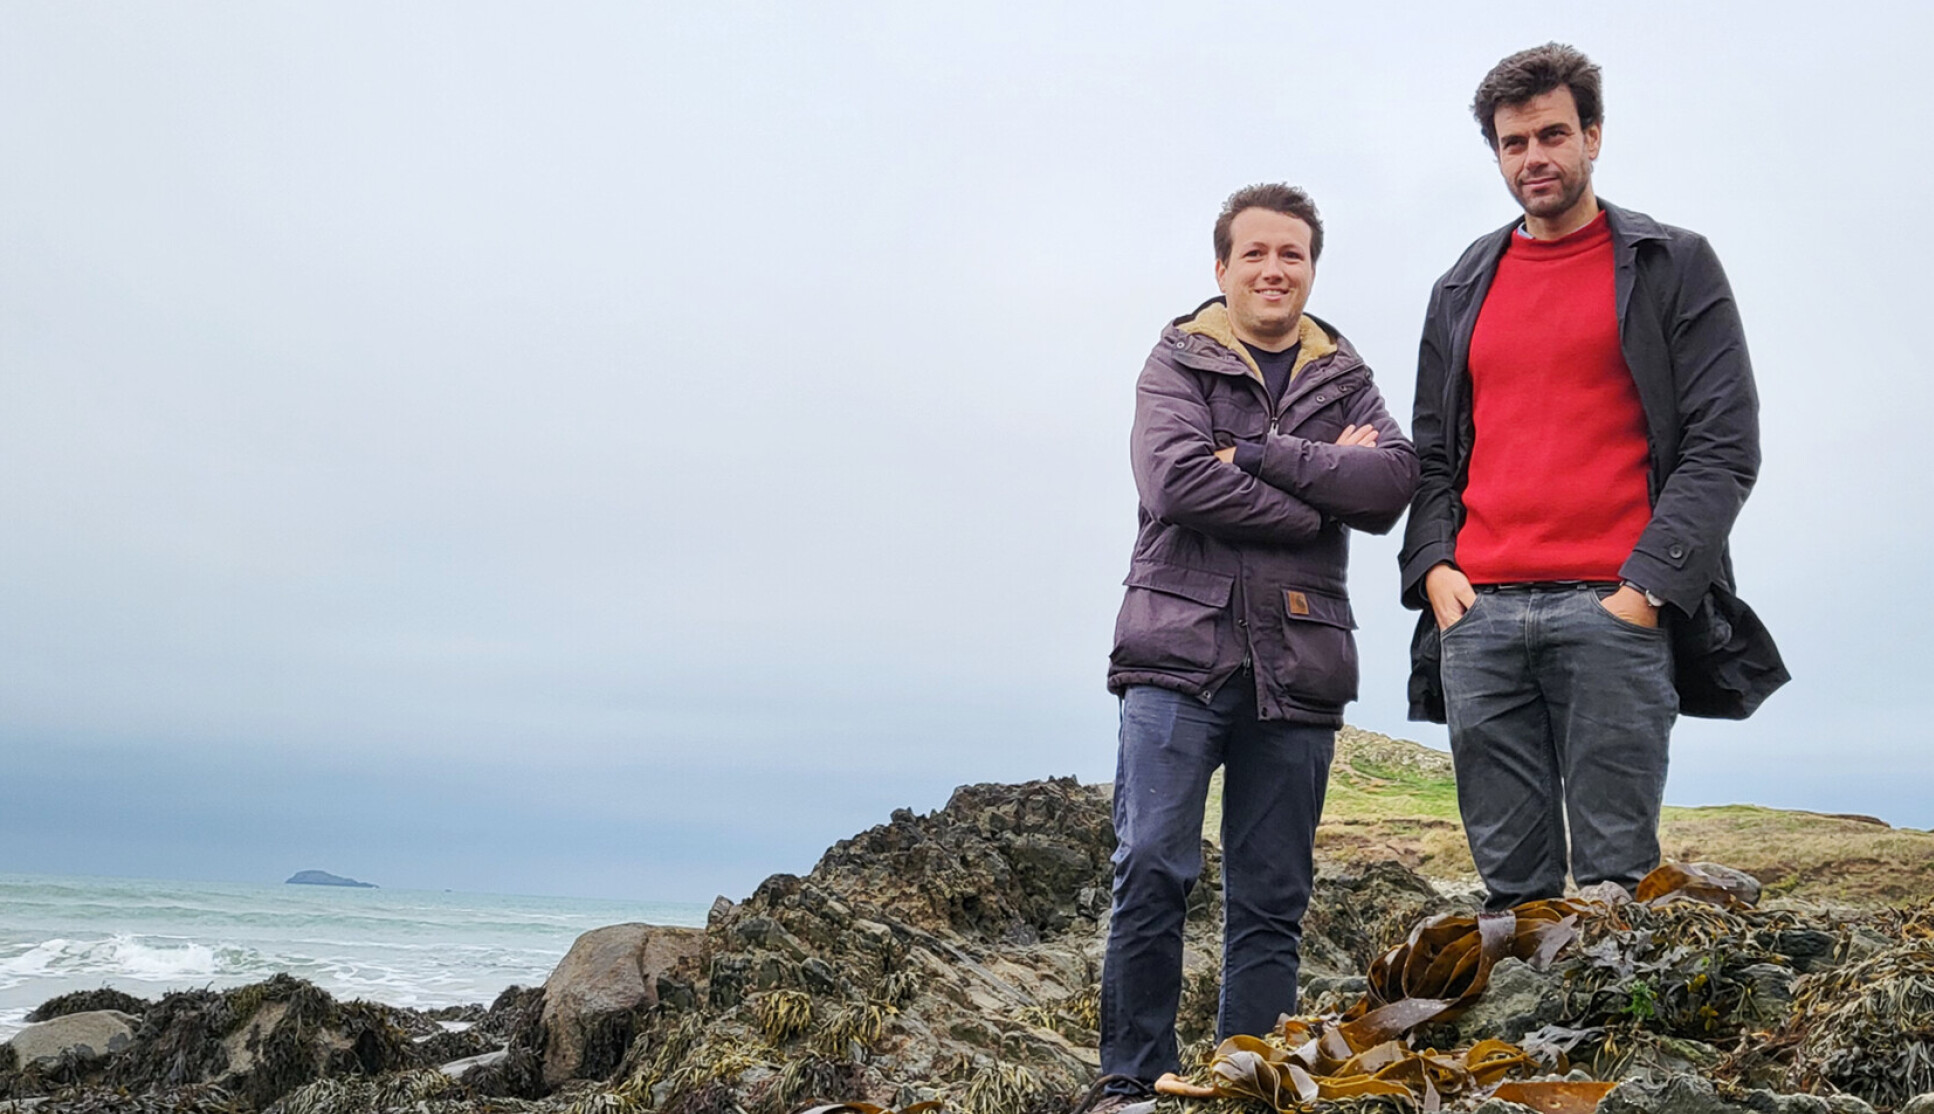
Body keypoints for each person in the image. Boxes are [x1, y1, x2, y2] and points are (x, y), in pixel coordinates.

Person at [1399, 43, 1788, 913]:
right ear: (1496, 153)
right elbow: (1431, 455)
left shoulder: (1671, 263)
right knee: (1512, 903)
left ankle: (1611, 1051)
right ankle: (1524, 1051)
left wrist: (1647, 587)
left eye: (1552, 134)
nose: (1534, 158)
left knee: (1617, 892)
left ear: (1594, 136)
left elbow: (1724, 443)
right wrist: (1436, 570)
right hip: (1480, 617)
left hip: (1613, 611)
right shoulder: (1462, 284)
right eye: (1512, 143)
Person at [1094, 183, 1417, 1110]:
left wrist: (1260, 452)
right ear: (1222, 268)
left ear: (1311, 268)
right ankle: (1129, 1082)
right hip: (1173, 657)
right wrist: (1323, 484)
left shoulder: (1344, 374)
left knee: (1272, 893)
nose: (1275, 270)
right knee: (1153, 862)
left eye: (1293, 256)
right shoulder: (1175, 361)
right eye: (1256, 254)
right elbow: (1177, 483)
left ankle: (1248, 1081)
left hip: (1300, 662)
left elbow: (1390, 485)